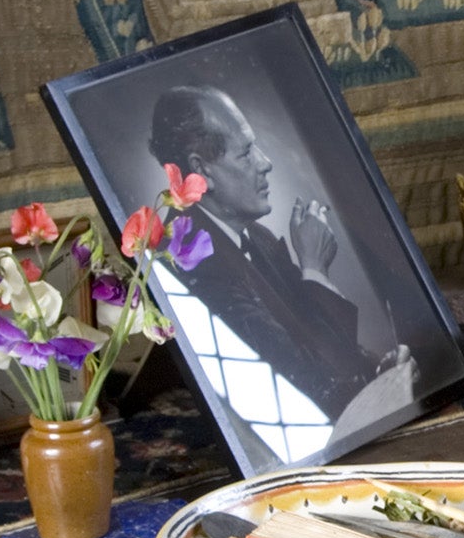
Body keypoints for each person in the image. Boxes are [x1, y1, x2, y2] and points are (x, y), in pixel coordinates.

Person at [146, 84, 415, 462]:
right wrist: (314, 267)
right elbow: (307, 385)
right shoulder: (197, 266)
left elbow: (322, 349)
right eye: (245, 152)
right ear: (201, 170)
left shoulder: (253, 236)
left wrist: (374, 370)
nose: (266, 161)